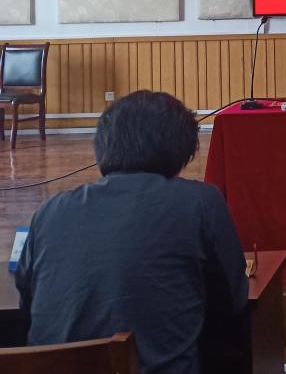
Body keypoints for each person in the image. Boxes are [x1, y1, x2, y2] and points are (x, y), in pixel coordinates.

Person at [15, 90, 248, 374]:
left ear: (103, 145)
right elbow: (234, 301)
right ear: (183, 150)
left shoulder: (49, 211)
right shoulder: (201, 202)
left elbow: (28, 306)